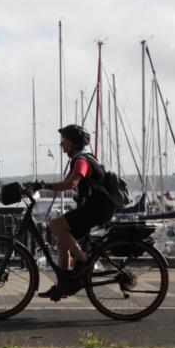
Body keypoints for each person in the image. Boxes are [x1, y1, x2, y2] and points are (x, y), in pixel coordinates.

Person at [39, 124, 115, 297]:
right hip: (95, 207)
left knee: (55, 226)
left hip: (97, 208)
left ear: (74, 142)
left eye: (64, 140)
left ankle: (84, 260)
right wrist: (41, 186)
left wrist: (45, 185)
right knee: (62, 243)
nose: (61, 144)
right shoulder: (79, 159)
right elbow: (64, 185)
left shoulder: (81, 160)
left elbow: (71, 184)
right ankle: (64, 284)